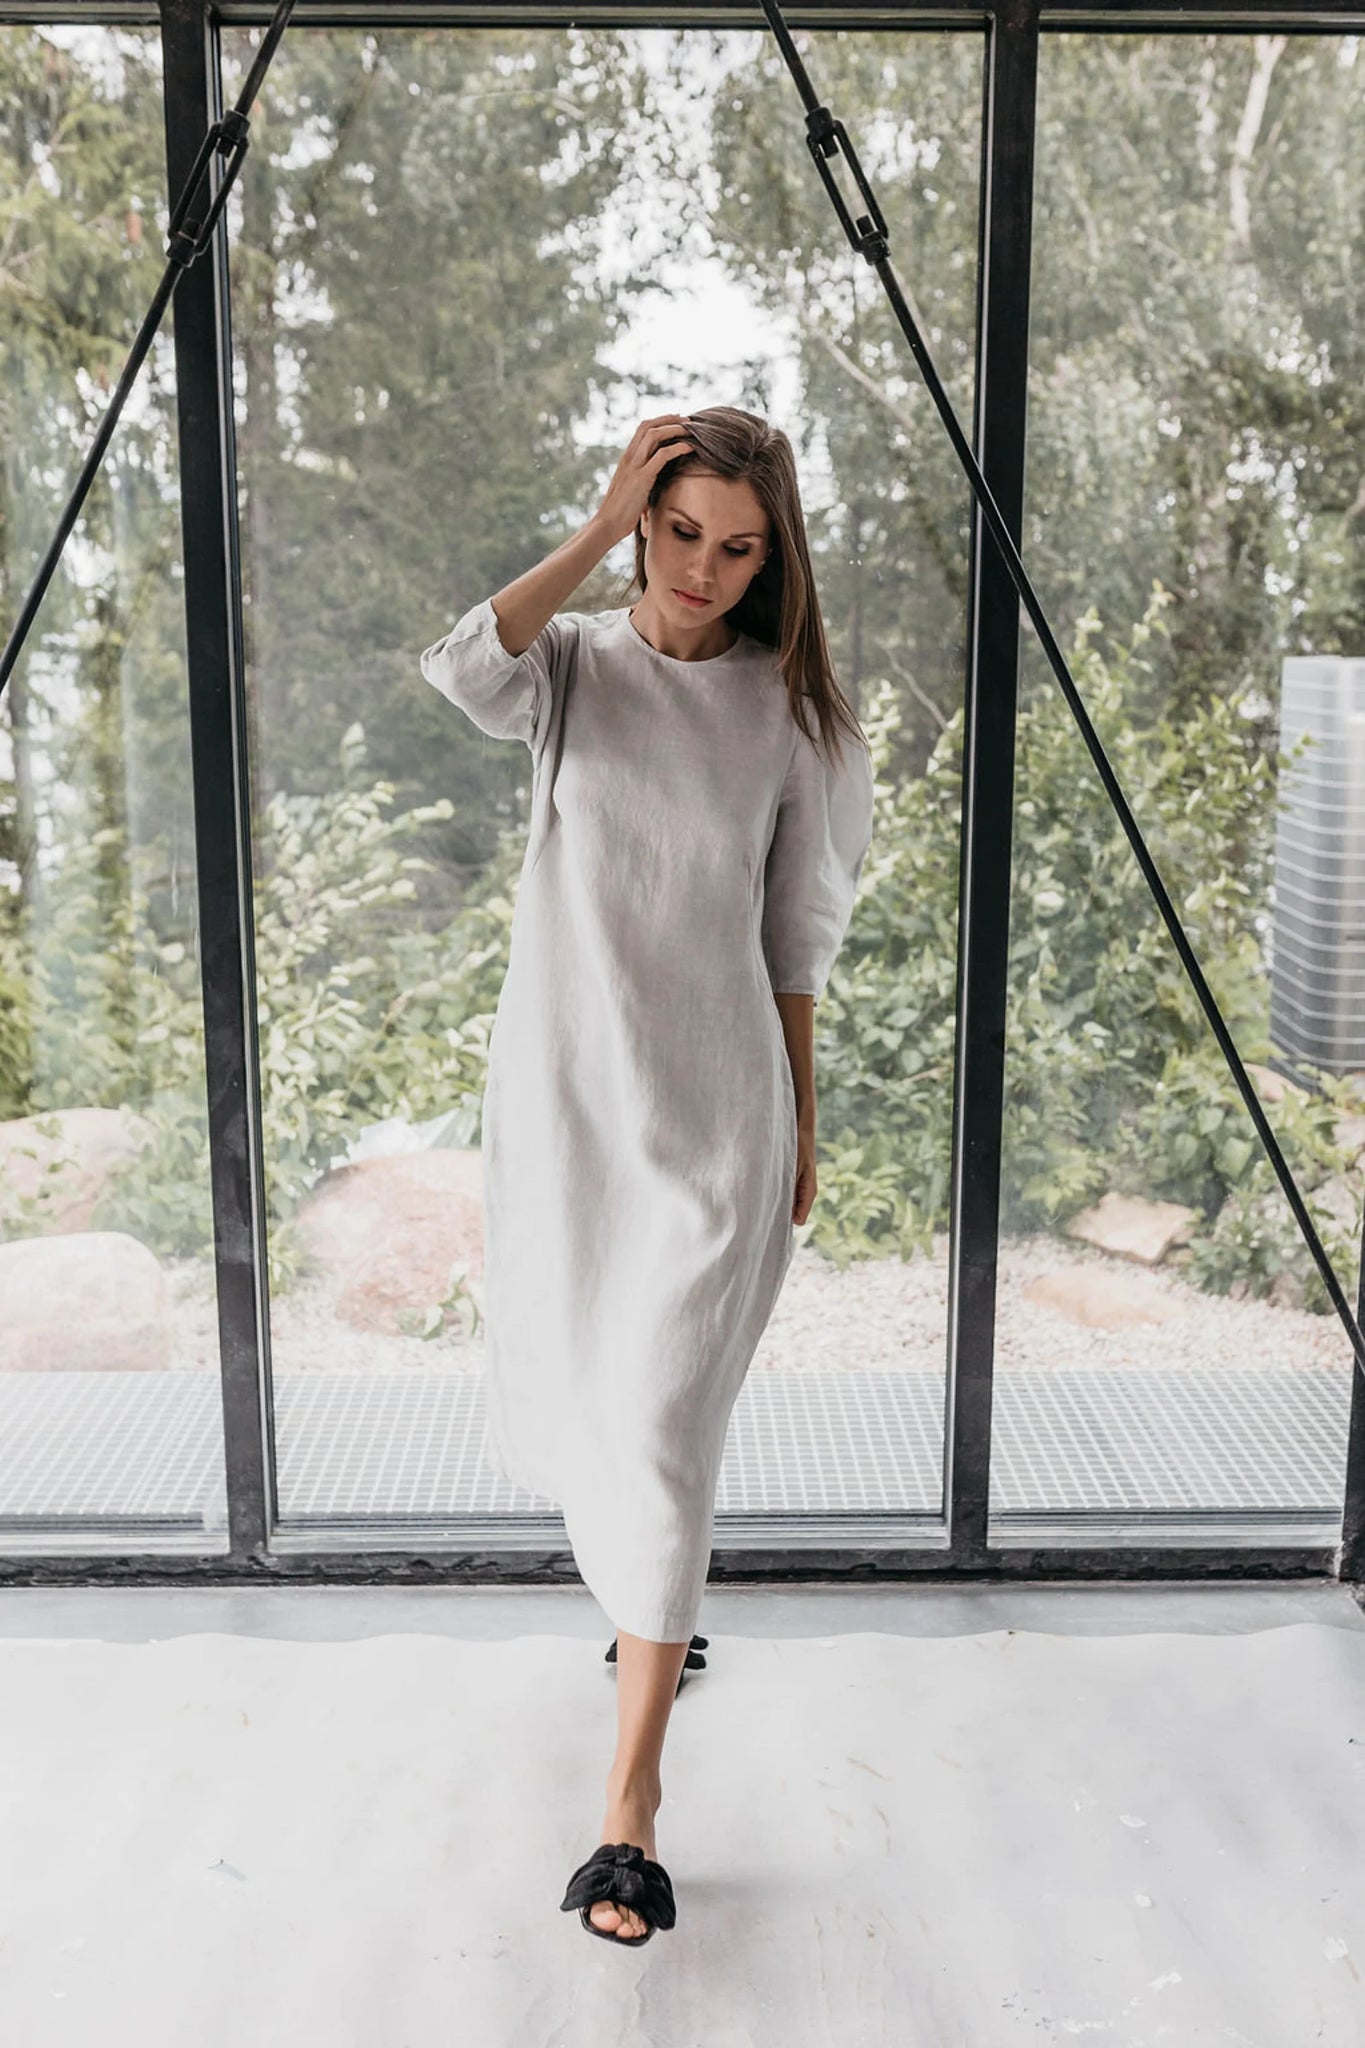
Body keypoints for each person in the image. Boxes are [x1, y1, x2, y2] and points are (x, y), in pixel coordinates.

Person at [419, 406, 875, 1942]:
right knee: (592, 1400)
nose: (702, 569)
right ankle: (649, 1617)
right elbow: (459, 666)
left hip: (716, 1118)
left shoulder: (788, 716)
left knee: (667, 1426)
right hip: (566, 1109)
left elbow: (795, 937)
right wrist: (600, 525)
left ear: (772, 558)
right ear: (641, 521)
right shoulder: (568, 671)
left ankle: (629, 1811)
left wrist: (801, 1118)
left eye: (738, 548)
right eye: (679, 532)